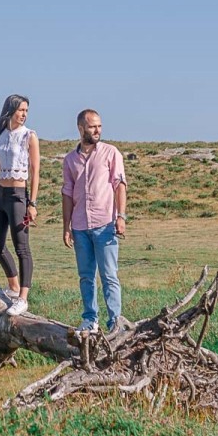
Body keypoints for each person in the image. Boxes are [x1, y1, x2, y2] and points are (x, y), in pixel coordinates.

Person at [61, 108, 128, 333]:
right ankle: (90, 320)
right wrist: (66, 227)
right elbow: (67, 193)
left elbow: (119, 185)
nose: (97, 130)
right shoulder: (70, 160)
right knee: (86, 276)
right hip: (80, 226)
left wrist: (121, 217)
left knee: (109, 275)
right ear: (81, 129)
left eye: (99, 125)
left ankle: (115, 322)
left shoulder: (111, 153)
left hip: (105, 224)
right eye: (92, 126)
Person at [0, 94, 41, 316]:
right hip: (0, 193)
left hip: (19, 194)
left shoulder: (29, 136)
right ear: (10, 111)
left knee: (21, 246)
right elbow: (1, 168)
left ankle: (23, 298)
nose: (24, 114)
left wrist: (32, 203)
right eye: (21, 110)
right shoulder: (0, 136)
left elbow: (35, 172)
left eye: (26, 110)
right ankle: (13, 286)